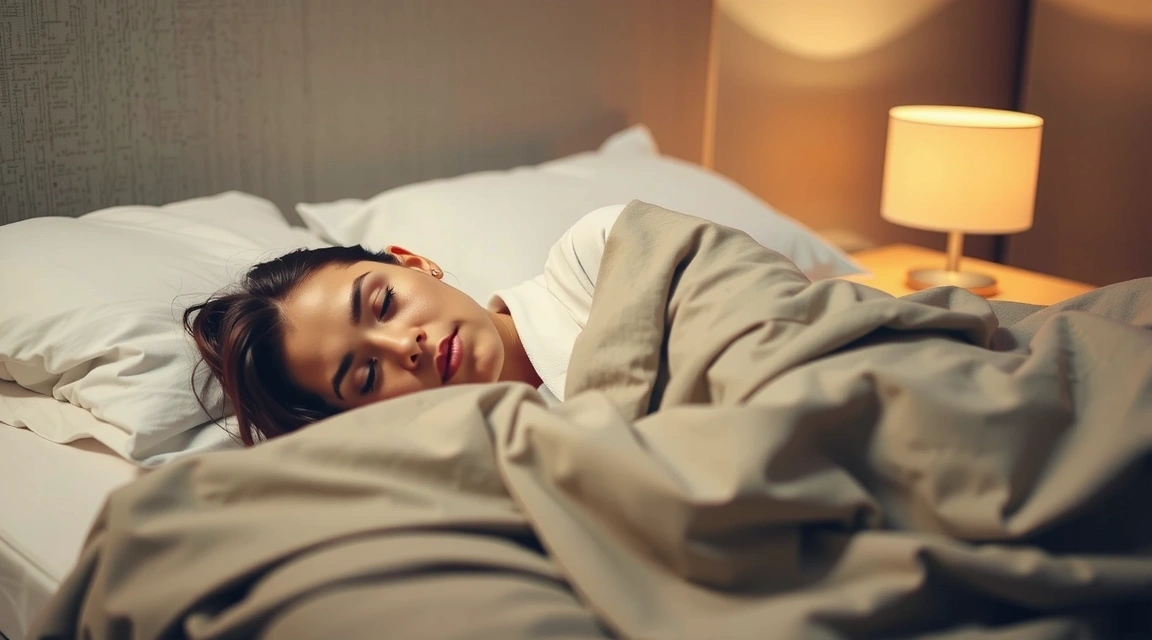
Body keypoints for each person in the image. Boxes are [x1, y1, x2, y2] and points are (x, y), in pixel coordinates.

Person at [185, 204, 624, 446]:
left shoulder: (601, 257)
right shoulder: (485, 481)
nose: (404, 345)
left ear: (415, 263)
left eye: (385, 303)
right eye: (367, 374)